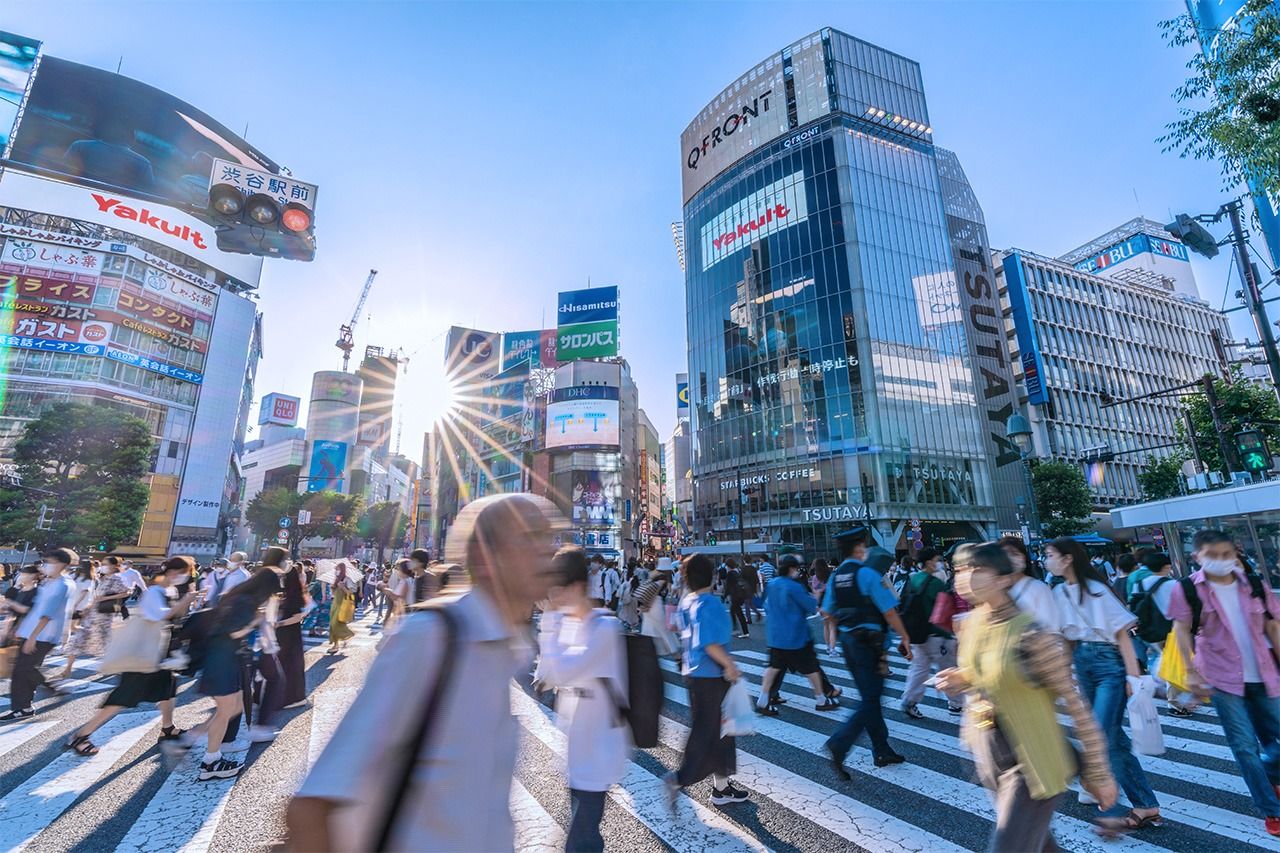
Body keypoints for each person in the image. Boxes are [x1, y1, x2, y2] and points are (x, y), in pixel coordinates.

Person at [288, 493, 565, 851]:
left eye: (551, 539)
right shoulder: (431, 638)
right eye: (530, 538)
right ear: (484, 556)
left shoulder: (505, 648)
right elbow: (315, 804)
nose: (548, 552)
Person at [936, 542, 1117, 852]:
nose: (966, 578)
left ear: (1004, 579)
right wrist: (960, 678)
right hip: (992, 756)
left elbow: (1077, 707)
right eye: (961, 570)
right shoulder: (974, 623)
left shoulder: (1033, 635)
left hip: (1033, 764)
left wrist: (1099, 773)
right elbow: (983, 672)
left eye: (978, 570)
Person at [1168, 529, 1280, 837]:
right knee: (1244, 747)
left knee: (1276, 740)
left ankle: (1270, 773)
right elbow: (1181, 631)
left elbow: (1273, 626)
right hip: (1222, 678)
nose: (1221, 561)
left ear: (1235, 553)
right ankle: (1273, 810)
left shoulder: (1254, 584)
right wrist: (1189, 671)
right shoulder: (1187, 589)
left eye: (1226, 555)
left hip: (1264, 674)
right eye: (1213, 556)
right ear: (1197, 557)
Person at [1045, 536, 1161, 833]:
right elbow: (1065, 637)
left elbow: (1123, 635)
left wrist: (1133, 678)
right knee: (1113, 738)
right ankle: (1145, 805)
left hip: (1109, 664)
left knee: (1099, 735)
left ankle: (1114, 810)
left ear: (1068, 558)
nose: (1047, 560)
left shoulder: (1096, 590)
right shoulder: (1059, 592)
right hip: (1083, 662)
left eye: (1050, 555)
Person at [535, 546, 629, 851]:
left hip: (600, 751)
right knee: (584, 836)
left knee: (581, 839)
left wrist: (549, 621)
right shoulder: (572, 625)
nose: (555, 598)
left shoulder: (605, 627)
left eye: (558, 591)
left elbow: (561, 671)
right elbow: (549, 675)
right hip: (578, 748)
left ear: (576, 587)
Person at [64, 559, 200, 756]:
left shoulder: (169, 591)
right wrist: (186, 601)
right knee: (123, 696)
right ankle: (81, 735)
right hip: (144, 654)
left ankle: (168, 728)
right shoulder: (154, 592)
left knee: (168, 690)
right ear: (172, 572)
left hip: (159, 652)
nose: (186, 577)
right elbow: (160, 616)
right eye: (184, 572)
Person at [177, 555, 284, 780]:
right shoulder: (245, 602)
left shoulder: (239, 597)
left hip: (226, 659)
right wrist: (256, 620)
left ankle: (197, 740)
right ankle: (210, 761)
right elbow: (234, 632)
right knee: (227, 711)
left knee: (233, 708)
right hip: (222, 661)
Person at [822, 529, 912, 777]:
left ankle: (881, 749)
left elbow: (827, 612)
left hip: (849, 642)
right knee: (871, 699)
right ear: (860, 549)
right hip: (869, 644)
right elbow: (890, 612)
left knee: (869, 697)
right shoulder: (868, 574)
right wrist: (904, 636)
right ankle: (839, 743)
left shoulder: (836, 577)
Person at [664, 553, 749, 807]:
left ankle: (721, 788)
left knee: (720, 731)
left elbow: (680, 630)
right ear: (711, 576)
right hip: (712, 677)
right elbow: (710, 643)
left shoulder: (687, 601)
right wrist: (730, 666)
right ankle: (680, 778)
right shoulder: (709, 604)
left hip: (695, 675)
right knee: (708, 731)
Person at [756, 554, 840, 715]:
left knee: (773, 667)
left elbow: (765, 605)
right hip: (796, 636)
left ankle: (763, 699)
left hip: (775, 636)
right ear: (791, 569)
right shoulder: (793, 586)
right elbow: (810, 605)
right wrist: (816, 597)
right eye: (796, 568)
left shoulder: (772, 584)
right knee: (811, 668)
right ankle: (821, 699)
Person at [2, 548, 77, 721]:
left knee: (23, 669)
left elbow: (47, 614)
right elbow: (35, 609)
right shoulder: (49, 582)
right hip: (31, 632)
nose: (47, 565)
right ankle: (26, 706)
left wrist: (33, 637)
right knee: (24, 670)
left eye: (51, 562)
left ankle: (36, 697)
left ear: (62, 564)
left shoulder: (63, 585)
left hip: (43, 635)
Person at [899, 549, 962, 717]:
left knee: (919, 668)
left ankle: (909, 700)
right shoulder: (935, 584)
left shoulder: (912, 580)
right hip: (937, 634)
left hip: (917, 634)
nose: (939, 563)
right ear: (928, 562)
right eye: (936, 559)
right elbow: (946, 611)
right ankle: (956, 703)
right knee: (947, 669)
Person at [60, 557, 130, 680]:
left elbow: (126, 592)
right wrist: (88, 608)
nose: (103, 566)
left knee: (106, 642)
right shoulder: (101, 578)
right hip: (92, 614)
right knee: (78, 639)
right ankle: (67, 669)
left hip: (104, 617)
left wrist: (106, 598)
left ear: (114, 566)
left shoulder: (117, 578)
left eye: (106, 564)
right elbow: (95, 596)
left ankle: (114, 664)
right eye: (102, 564)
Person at [1001, 537, 1058, 631]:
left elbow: (1051, 626)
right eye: (1005, 554)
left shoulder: (1039, 588)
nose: (1010, 558)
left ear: (1024, 557)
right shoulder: (998, 589)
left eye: (1015, 554)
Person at [276, 558, 309, 709]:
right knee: (283, 665)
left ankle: (295, 698)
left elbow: (297, 617)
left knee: (291, 666)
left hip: (291, 634)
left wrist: (278, 624)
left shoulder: (295, 594)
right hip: (284, 634)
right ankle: (284, 696)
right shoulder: (285, 593)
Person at [327, 563, 356, 654]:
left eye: (338, 569)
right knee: (333, 624)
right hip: (335, 603)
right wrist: (333, 588)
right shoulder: (335, 580)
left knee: (336, 624)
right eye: (336, 569)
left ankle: (346, 636)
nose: (336, 571)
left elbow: (350, 593)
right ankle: (336, 644)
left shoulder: (347, 579)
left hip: (343, 604)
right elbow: (334, 594)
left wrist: (343, 587)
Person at [724, 560, 751, 639]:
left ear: (728, 566)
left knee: (739, 614)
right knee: (733, 611)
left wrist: (724, 596)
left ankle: (745, 632)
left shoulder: (730, 574)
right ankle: (736, 629)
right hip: (739, 596)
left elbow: (728, 587)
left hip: (735, 596)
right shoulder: (737, 572)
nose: (726, 567)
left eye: (726, 566)